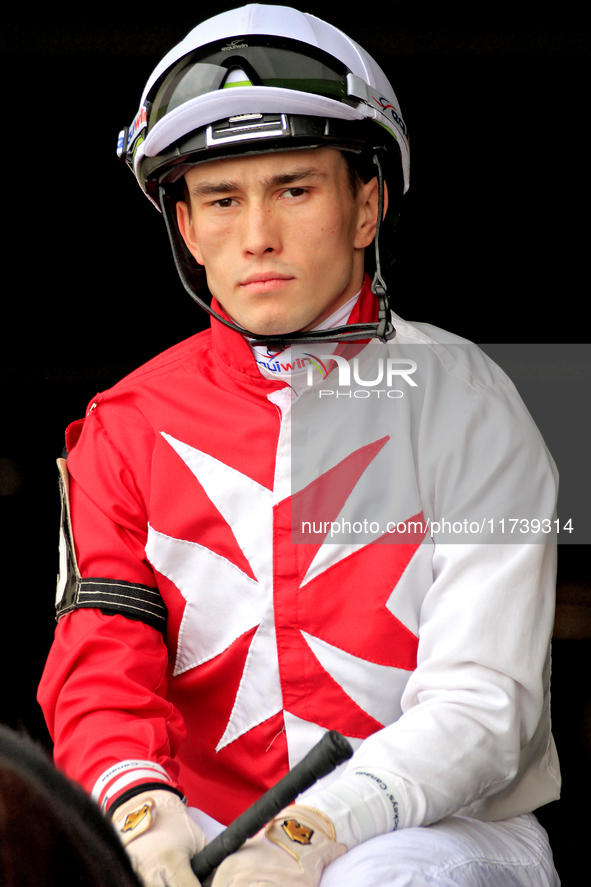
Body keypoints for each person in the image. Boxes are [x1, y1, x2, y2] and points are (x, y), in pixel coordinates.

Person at [38, 5, 561, 886]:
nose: (257, 237)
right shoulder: (121, 420)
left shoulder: (483, 398)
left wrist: (309, 834)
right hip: (202, 830)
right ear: (187, 228)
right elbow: (99, 672)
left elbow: (487, 704)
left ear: (368, 204)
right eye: (221, 199)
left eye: (293, 188)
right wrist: (141, 818)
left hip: (446, 831)